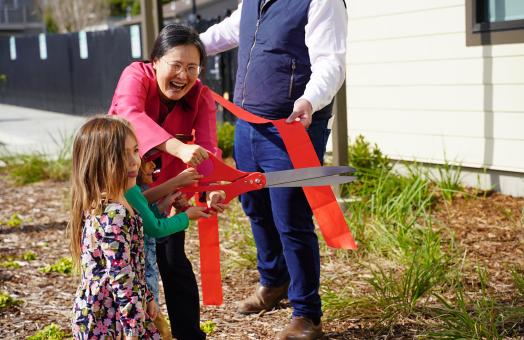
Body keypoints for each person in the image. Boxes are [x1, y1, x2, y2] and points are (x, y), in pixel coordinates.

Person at [200, 1, 348, 339]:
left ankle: (307, 315)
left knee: (291, 216)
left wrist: (310, 99)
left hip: (293, 125)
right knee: (254, 205)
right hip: (247, 123)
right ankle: (274, 280)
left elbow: (331, 61)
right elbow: (229, 30)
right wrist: (184, 45)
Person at [109, 24, 225, 340]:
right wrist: (178, 146)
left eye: (192, 67)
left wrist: (212, 189)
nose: (183, 75)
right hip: (124, 186)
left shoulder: (201, 95)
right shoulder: (135, 75)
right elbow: (130, 114)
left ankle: (189, 334)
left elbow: (209, 147)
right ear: (155, 61)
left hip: (169, 190)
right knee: (123, 264)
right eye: (176, 64)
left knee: (173, 259)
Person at [69, 115, 159, 339]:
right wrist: (133, 327)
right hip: (109, 317)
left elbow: (128, 264)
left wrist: (146, 297)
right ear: (99, 162)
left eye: (135, 150)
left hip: (111, 311)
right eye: (121, 155)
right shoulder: (114, 214)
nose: (134, 161)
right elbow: (121, 275)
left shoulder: (113, 204)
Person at [126, 162, 209, 340]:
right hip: (137, 280)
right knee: (151, 327)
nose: (152, 164)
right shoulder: (131, 191)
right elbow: (155, 228)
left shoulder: (131, 190)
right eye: (146, 157)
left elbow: (144, 218)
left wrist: (166, 204)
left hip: (144, 276)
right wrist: (185, 216)